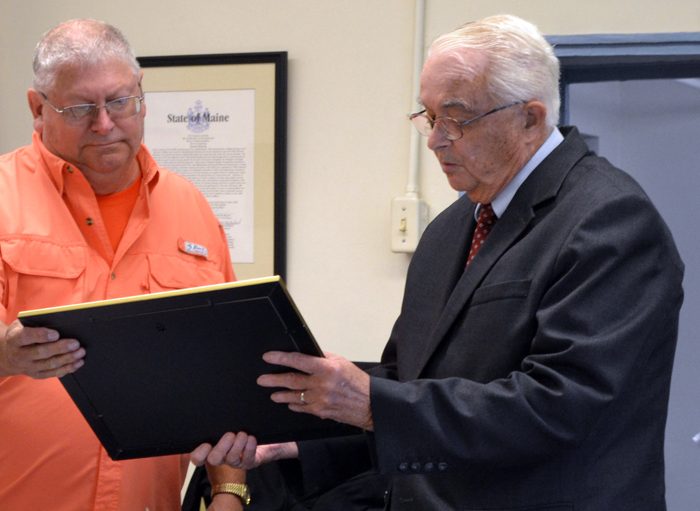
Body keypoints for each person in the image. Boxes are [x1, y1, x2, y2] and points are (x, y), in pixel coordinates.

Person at [193, 14, 685, 511]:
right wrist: (298, 430)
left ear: (530, 119)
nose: (434, 140)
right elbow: (406, 380)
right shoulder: (451, 228)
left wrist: (370, 403)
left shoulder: (609, 219)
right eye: (428, 116)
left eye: (456, 118)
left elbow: (559, 407)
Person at [0, 19, 245, 511]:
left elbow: (220, 366)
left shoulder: (191, 207)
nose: (104, 123)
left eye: (119, 101)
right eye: (80, 108)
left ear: (141, 97)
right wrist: (8, 350)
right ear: (37, 108)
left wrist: (229, 490)